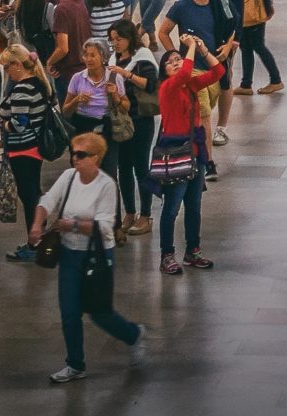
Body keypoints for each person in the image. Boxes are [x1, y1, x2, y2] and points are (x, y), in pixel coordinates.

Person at [33, 132, 142, 382]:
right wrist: (37, 224)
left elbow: (104, 227)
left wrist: (70, 225)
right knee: (69, 312)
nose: (75, 158)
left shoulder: (106, 185)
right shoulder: (69, 177)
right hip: (70, 254)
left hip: (97, 255)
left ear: (96, 158)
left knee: (99, 312)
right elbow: (47, 200)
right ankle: (75, 364)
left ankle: (133, 334)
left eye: (81, 154)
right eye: (73, 153)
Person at [153, 37, 233, 273]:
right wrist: (189, 48)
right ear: (164, 71)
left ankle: (193, 250)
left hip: (195, 153)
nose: (177, 63)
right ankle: (166, 254)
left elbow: (218, 71)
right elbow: (186, 72)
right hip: (175, 154)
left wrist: (203, 49)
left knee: (194, 206)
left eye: (179, 59)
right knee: (172, 207)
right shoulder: (168, 88)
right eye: (170, 62)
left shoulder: (190, 85)